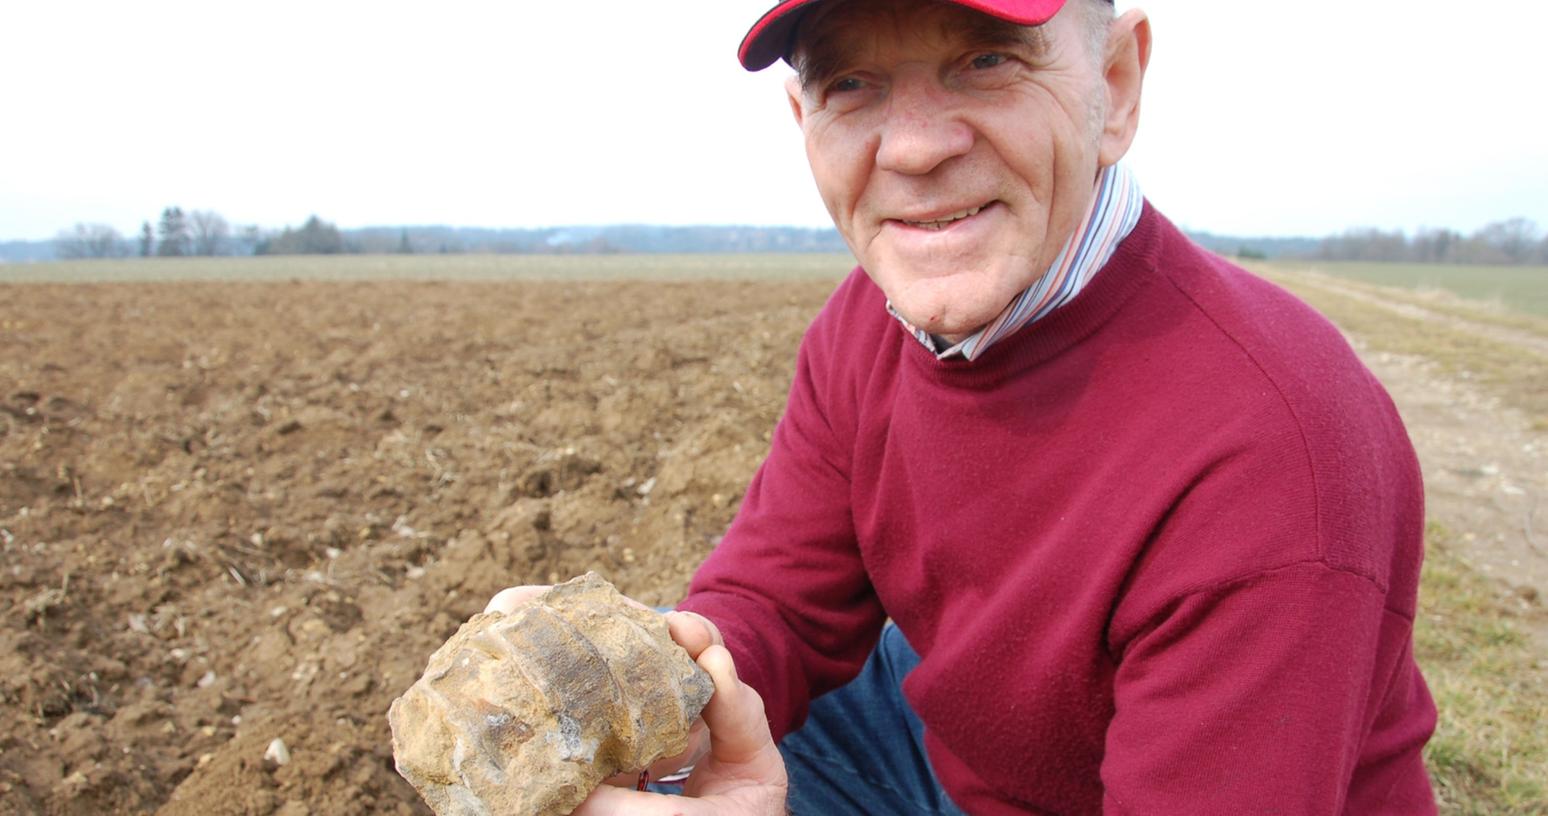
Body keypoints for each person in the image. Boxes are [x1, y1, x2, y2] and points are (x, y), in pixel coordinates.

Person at [490, 0, 1439, 811]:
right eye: (850, 84)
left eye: (985, 61)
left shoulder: (1269, 457)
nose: (912, 147)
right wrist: (649, 693)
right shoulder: (871, 322)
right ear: (801, 117)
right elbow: (776, 602)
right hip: (962, 762)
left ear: (1117, 84)